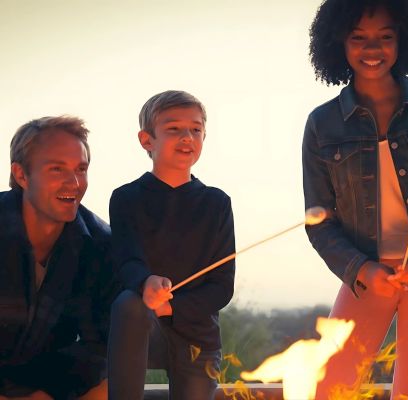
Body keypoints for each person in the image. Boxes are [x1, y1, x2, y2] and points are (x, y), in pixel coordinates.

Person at [302, 0, 408, 398]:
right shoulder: (321, 123)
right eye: (358, 37)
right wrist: (361, 270)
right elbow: (318, 221)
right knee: (329, 387)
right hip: (366, 273)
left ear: (404, 40)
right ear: (338, 41)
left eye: (385, 37)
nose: (372, 49)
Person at [107, 90, 235, 400]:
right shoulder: (125, 198)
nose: (187, 136)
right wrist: (146, 282)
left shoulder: (216, 203)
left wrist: (172, 306)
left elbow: (222, 287)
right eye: (173, 128)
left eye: (195, 129)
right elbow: (126, 262)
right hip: (140, 327)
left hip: (197, 335)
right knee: (129, 303)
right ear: (146, 140)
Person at [0, 116, 115, 399]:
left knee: (109, 386)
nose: (74, 182)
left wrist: (45, 393)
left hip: (48, 381)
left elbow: (99, 345)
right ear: (22, 175)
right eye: (56, 169)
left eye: (81, 169)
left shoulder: (100, 245)